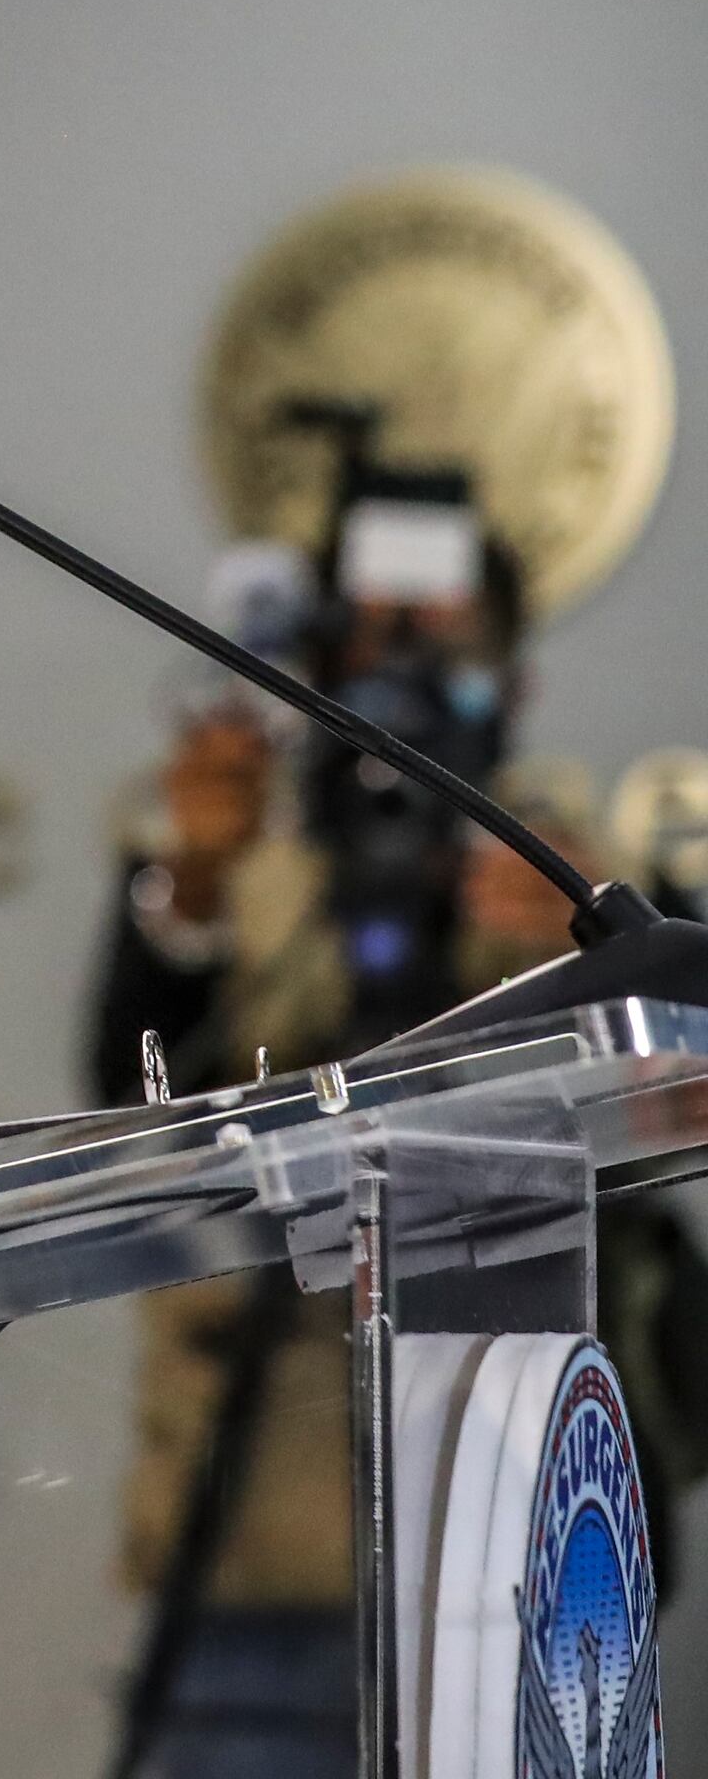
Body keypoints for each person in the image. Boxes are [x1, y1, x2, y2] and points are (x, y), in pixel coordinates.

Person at [86, 496, 708, 1778]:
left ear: (513, 675)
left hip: (537, 1533)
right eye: (373, 640)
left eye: (444, 643)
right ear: (315, 664)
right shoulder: (237, 858)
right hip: (262, 1538)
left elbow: (683, 1121)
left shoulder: (583, 873)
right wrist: (191, 887)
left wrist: (592, 948)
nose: (407, 676)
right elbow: (120, 1091)